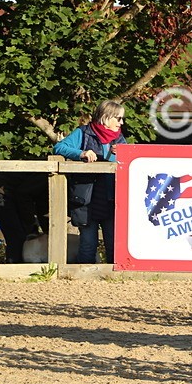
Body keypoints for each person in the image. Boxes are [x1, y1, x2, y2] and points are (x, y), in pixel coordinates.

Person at [53, 99, 128, 263]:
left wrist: (122, 153)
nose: (121, 122)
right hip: (86, 199)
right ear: (107, 117)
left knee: (114, 244)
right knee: (88, 244)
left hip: (112, 199)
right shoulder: (83, 133)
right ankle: (83, 281)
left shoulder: (120, 139)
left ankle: (114, 280)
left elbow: (129, 162)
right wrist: (81, 153)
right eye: (119, 118)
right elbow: (59, 148)